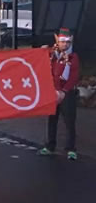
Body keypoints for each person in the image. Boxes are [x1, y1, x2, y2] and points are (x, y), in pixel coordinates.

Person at [39, 28, 80, 160]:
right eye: (63, 42)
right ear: (58, 41)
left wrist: (64, 91)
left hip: (67, 93)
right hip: (53, 92)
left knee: (69, 122)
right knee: (52, 120)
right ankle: (50, 146)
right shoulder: (54, 55)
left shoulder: (73, 57)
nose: (65, 44)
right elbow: (43, 63)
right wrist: (43, 50)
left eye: (67, 42)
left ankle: (71, 148)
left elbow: (73, 77)